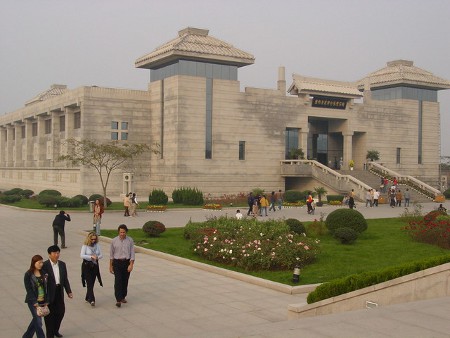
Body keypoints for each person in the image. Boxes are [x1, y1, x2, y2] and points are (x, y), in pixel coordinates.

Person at [42, 245, 73, 338]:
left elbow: (65, 279)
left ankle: (55, 330)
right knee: (49, 316)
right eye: (54, 253)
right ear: (49, 254)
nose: (57, 255)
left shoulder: (62, 264)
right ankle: (50, 334)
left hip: (59, 291)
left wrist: (69, 291)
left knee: (61, 312)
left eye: (58, 253)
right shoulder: (45, 265)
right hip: (49, 293)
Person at [110, 224, 135, 308]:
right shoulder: (114, 241)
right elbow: (111, 254)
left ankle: (123, 296)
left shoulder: (130, 240)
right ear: (118, 232)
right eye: (120, 232)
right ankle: (118, 299)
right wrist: (110, 266)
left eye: (123, 232)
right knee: (118, 280)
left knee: (125, 280)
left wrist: (131, 265)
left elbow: (132, 254)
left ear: (126, 232)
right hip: (117, 263)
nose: (122, 234)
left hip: (126, 262)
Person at [23, 255, 48, 338]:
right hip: (33, 301)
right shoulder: (28, 274)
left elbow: (46, 287)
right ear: (34, 263)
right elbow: (29, 289)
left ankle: (27, 336)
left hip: (42, 300)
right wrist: (35, 302)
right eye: (39, 262)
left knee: (35, 320)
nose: (41, 264)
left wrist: (46, 300)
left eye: (42, 262)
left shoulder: (44, 273)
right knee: (38, 321)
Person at [80, 232, 103, 307]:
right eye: (92, 239)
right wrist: (90, 257)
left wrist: (97, 257)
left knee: (92, 282)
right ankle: (92, 299)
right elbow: (82, 255)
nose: (93, 240)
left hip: (95, 265)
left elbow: (101, 254)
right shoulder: (85, 246)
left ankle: (88, 296)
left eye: (95, 239)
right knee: (89, 282)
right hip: (87, 265)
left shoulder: (97, 245)